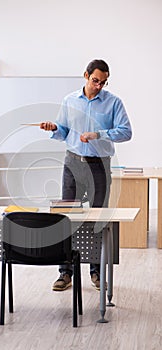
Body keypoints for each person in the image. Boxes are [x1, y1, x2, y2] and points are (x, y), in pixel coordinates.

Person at [40, 59, 132, 291]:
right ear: (86, 75)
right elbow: (63, 131)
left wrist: (98, 134)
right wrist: (54, 129)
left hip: (99, 166)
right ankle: (65, 273)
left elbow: (126, 132)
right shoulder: (69, 100)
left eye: (103, 82)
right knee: (66, 218)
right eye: (95, 80)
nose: (99, 86)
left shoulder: (113, 103)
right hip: (72, 163)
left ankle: (96, 272)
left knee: (98, 219)